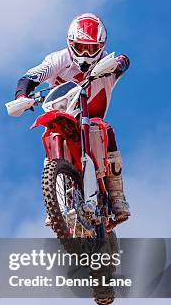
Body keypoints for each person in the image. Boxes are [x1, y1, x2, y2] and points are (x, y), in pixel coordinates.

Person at [14, 13, 130, 222]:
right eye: (81, 47)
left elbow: (123, 61)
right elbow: (31, 76)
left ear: (101, 47)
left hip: (92, 116)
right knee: (50, 135)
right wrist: (22, 96)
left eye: (92, 48)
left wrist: (118, 63)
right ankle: (57, 202)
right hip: (64, 112)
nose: (86, 54)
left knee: (105, 129)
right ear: (70, 43)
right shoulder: (59, 59)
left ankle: (116, 195)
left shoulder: (105, 62)